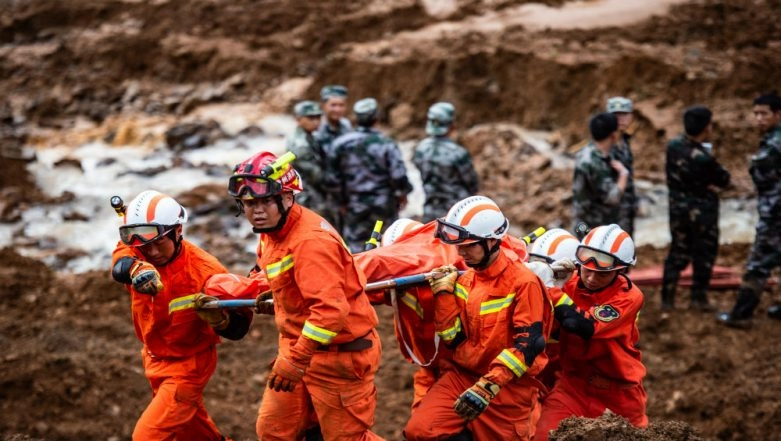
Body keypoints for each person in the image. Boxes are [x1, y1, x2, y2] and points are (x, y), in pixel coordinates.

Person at [226, 150, 384, 441]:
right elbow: (286, 276)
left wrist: (296, 360)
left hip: (339, 357)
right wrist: (275, 294)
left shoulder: (311, 242)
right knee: (274, 432)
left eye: (264, 201)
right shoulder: (270, 232)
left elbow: (330, 312)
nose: (257, 211)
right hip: (299, 348)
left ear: (287, 198)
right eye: (249, 203)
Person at [404, 195, 553, 441]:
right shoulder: (466, 279)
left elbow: (528, 346)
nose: (461, 252)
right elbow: (453, 338)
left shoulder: (523, 283)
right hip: (461, 376)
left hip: (506, 388)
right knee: (420, 431)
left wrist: (488, 385)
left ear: (492, 241)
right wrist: (443, 294)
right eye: (458, 246)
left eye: (468, 245)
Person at [110, 190, 249, 441]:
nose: (152, 252)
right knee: (192, 432)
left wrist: (221, 321)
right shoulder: (138, 249)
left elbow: (239, 329)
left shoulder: (206, 272)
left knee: (147, 436)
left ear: (177, 231)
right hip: (154, 357)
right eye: (145, 246)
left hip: (188, 366)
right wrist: (135, 267)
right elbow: (120, 261)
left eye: (159, 243)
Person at [534, 224, 648, 441]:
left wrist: (550, 289)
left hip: (619, 395)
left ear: (620, 270)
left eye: (602, 274)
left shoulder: (629, 296)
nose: (592, 279)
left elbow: (581, 325)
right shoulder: (569, 282)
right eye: (587, 270)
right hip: (572, 387)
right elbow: (552, 327)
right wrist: (540, 278)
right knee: (542, 437)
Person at [718, 93, 781, 328]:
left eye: (764, 114)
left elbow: (760, 175)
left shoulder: (774, 144)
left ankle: (741, 315)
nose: (759, 119)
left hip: (775, 214)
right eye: (756, 114)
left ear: (778, 114)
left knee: (758, 265)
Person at [661, 106, 731, 312]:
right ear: (707, 127)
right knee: (704, 254)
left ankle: (667, 299)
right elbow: (724, 179)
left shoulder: (673, 146)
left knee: (677, 253)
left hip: (677, 210)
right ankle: (698, 298)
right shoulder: (703, 157)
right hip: (702, 214)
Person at [328, 97, 413, 253]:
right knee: (387, 244)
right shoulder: (386, 143)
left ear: (356, 118)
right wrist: (402, 194)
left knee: (356, 246)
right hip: (384, 204)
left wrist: (340, 202)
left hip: (354, 204)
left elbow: (332, 178)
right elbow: (398, 175)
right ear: (376, 117)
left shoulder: (340, 144)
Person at [413, 102, 480, 223]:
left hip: (430, 211)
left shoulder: (420, 149)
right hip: (456, 214)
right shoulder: (458, 153)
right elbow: (472, 185)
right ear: (452, 125)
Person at [571, 112, 630, 232]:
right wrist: (623, 175)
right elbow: (612, 198)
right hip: (590, 228)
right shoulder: (593, 163)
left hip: (593, 224)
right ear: (613, 135)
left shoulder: (593, 153)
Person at [286, 100, 335, 225]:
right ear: (298, 119)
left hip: (311, 193)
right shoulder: (301, 144)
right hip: (308, 197)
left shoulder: (309, 136)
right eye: (311, 118)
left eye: (318, 117)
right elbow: (317, 176)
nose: (316, 121)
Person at [315, 85, 353, 232]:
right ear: (324, 106)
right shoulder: (317, 130)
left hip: (344, 190)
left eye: (341, 105)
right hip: (322, 193)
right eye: (333, 105)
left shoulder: (346, 126)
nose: (337, 109)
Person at [606, 96, 638, 236]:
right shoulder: (604, 144)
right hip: (609, 212)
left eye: (624, 114)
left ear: (631, 117)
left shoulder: (624, 141)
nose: (620, 119)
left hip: (627, 208)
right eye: (616, 115)